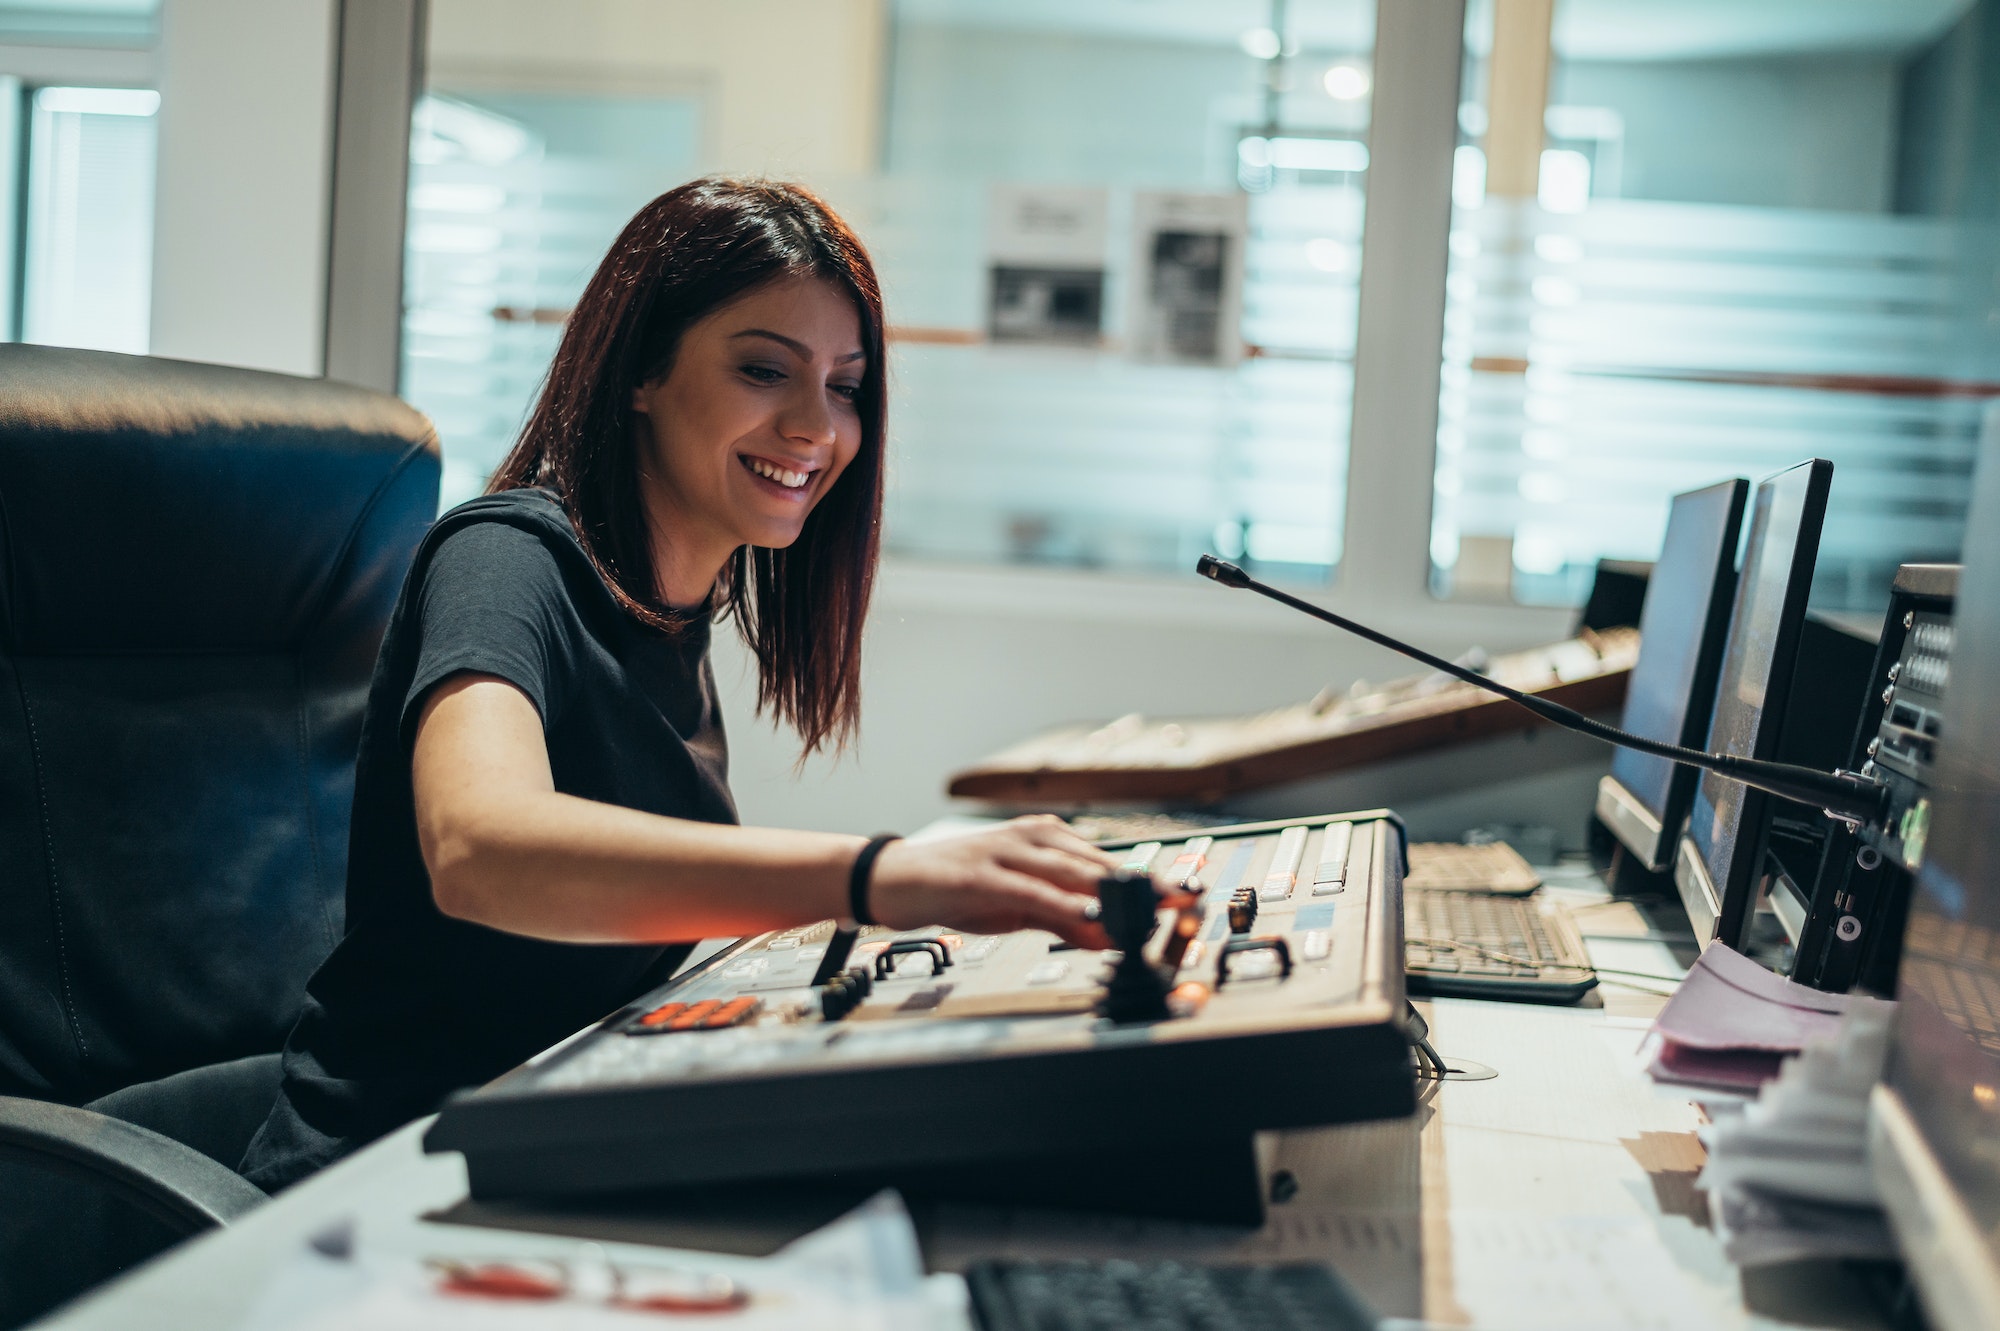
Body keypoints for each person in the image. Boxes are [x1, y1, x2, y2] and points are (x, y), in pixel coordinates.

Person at [241, 178, 1114, 1191]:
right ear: (642, 370)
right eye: (762, 369)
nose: (814, 428)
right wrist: (878, 874)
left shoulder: (678, 602)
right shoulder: (505, 560)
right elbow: (479, 847)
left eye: (844, 385)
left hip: (550, 1131)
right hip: (386, 1179)